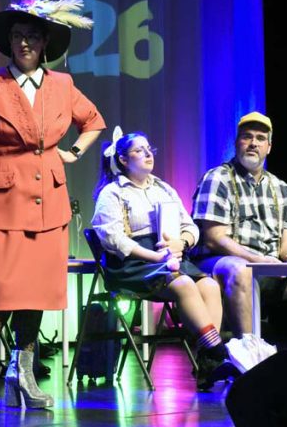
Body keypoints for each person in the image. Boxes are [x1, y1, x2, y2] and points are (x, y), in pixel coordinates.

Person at [0, 0, 105, 413]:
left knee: (38, 292)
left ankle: (22, 375)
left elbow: (93, 121)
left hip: (50, 200)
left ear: (44, 44)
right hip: (4, 199)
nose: (25, 43)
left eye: (33, 37)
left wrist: (73, 152)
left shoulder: (63, 85)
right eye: (19, 36)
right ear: (9, 41)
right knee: (0, 290)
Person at [91, 127, 237, 390]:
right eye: (140, 150)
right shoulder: (112, 193)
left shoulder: (164, 189)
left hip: (168, 257)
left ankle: (208, 363)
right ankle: (217, 352)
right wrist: (155, 255)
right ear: (123, 159)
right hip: (132, 263)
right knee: (184, 284)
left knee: (209, 285)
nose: (148, 154)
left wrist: (182, 242)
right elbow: (113, 239)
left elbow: (189, 226)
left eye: (150, 149)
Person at [191, 112, 287, 360]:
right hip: (218, 264)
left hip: (268, 266)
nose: (253, 143)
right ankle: (250, 358)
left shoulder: (281, 188)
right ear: (237, 142)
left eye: (260, 138)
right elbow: (215, 238)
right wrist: (256, 260)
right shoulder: (218, 178)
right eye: (247, 137)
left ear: (269, 147)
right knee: (241, 269)